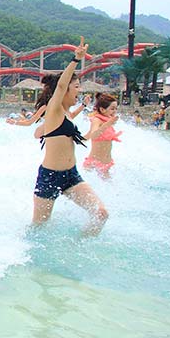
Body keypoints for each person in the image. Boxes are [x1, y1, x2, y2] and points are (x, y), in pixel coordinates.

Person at [30, 38, 108, 235]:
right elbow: (61, 85)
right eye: (77, 87)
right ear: (64, 91)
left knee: (101, 213)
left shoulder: (66, 114)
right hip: (50, 177)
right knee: (38, 228)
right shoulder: (55, 109)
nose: (79, 91)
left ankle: (79, 250)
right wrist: (76, 59)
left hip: (71, 176)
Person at [83, 93, 122, 177]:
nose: (114, 111)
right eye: (112, 109)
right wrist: (107, 124)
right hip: (94, 164)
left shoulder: (108, 120)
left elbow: (88, 135)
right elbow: (93, 136)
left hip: (107, 164)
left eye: (116, 109)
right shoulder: (97, 120)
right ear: (102, 109)